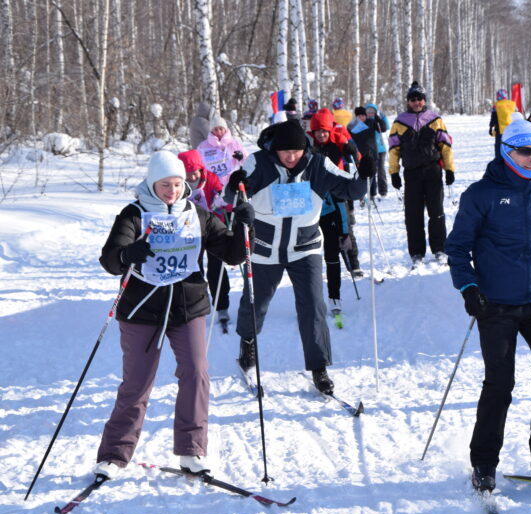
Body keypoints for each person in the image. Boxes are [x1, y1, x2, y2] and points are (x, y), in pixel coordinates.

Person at [93, 151, 254, 479]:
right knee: (137, 383)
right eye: (165, 184)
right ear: (152, 183)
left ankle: (192, 451)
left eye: (178, 184)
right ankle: (113, 455)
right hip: (141, 308)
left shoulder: (197, 214)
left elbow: (233, 255)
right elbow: (110, 261)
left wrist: (242, 227)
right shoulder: (134, 214)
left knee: (196, 374)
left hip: (187, 306)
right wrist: (128, 253)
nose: (172, 191)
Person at [444, 117, 531, 492]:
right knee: (500, 384)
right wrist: (469, 287)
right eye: (525, 151)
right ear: (508, 152)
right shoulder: (482, 194)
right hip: (496, 305)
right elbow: (457, 248)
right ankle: (484, 462)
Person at [224, 119, 375, 395]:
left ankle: (319, 368)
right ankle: (247, 343)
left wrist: (364, 175)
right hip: (265, 247)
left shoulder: (317, 164)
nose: (292, 157)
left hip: (304, 248)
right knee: (256, 303)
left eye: (296, 151)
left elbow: (350, 189)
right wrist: (235, 186)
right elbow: (232, 195)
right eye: (285, 152)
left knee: (313, 306)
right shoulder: (258, 163)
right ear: (275, 151)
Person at [388, 81, 455, 266]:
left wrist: (449, 169)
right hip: (412, 173)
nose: (416, 102)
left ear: (424, 101)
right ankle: (416, 252)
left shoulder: (435, 120)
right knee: (413, 215)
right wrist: (394, 172)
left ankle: (440, 248)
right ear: (408, 102)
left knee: (436, 212)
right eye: (413, 99)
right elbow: (394, 149)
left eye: (419, 99)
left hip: (433, 171)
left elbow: (446, 146)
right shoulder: (400, 122)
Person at [312, 107, 365, 312]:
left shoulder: (339, 141)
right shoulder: (311, 148)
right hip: (320, 197)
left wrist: (351, 151)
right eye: (318, 132)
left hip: (340, 191)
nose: (322, 135)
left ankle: (353, 263)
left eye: (324, 131)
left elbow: (356, 157)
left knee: (346, 228)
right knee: (328, 241)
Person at [178, 149, 234, 327]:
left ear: (201, 168)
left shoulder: (210, 178)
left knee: (216, 269)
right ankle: (195, 306)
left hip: (213, 228)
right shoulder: (178, 184)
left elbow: (221, 193)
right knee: (194, 269)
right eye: (188, 174)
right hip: (190, 232)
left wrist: (220, 200)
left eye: (195, 172)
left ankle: (222, 307)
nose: (192, 177)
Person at [197, 116, 246, 185]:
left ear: (225, 129)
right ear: (212, 131)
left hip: (232, 181)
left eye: (221, 129)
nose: (219, 132)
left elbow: (247, 161)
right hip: (212, 183)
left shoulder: (234, 143)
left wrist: (241, 157)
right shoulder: (203, 146)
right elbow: (197, 163)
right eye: (216, 129)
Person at [365, 103, 390, 198]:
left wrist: (380, 119)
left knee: (381, 170)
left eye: (372, 112)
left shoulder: (379, 119)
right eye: (368, 112)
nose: (370, 114)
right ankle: (372, 191)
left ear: (375, 112)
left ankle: (383, 191)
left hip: (380, 148)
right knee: (371, 170)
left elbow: (385, 127)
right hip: (370, 149)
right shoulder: (365, 120)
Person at [488, 88, 516, 157]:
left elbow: (493, 118)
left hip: (500, 130)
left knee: (499, 148)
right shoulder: (512, 104)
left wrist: (491, 127)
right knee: (510, 147)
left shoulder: (496, 105)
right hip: (511, 131)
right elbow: (517, 115)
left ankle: (499, 162)